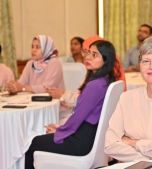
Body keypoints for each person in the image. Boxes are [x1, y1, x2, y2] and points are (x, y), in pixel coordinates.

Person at [25, 40, 120, 169]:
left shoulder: (95, 85)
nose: (88, 57)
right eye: (88, 53)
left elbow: (78, 117)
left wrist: (60, 131)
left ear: (106, 59)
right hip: (90, 136)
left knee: (33, 143)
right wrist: (61, 128)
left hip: (81, 141)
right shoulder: (106, 80)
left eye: (95, 55)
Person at [47, 35, 126, 125]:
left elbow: (84, 104)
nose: (86, 56)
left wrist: (63, 96)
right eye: (86, 52)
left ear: (105, 56)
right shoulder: (97, 73)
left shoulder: (99, 81)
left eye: (93, 54)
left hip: (90, 122)